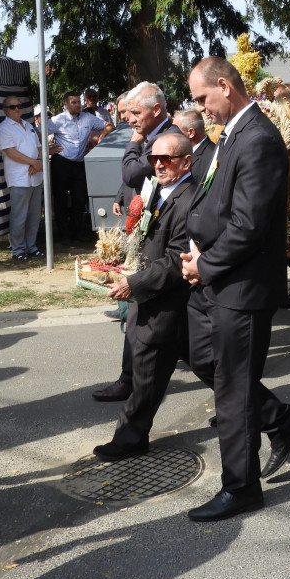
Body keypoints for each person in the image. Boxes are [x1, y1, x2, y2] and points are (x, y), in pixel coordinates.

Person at [181, 57, 290, 521]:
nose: (200, 110)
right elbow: (214, 198)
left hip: (242, 284)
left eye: (202, 99)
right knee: (203, 360)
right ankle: (281, 418)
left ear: (224, 86)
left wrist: (206, 265)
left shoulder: (256, 137)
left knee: (232, 390)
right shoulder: (233, 132)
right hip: (217, 275)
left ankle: (241, 487)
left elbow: (249, 224)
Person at [93, 133, 198, 459]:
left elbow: (175, 259)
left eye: (166, 159)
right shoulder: (157, 190)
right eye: (154, 159)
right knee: (212, 370)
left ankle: (129, 438)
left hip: (170, 300)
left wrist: (133, 285)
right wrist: (117, 262)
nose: (158, 165)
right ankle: (278, 419)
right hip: (153, 297)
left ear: (186, 162)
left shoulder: (190, 198)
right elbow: (142, 238)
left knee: (149, 369)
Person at [92, 83, 184, 403]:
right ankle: (134, 379)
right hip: (147, 227)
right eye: (126, 113)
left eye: (135, 113)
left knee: (141, 308)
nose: (130, 120)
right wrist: (123, 195)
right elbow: (133, 180)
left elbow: (134, 172)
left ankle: (130, 380)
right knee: (147, 312)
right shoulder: (152, 134)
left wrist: (132, 144)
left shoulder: (164, 137)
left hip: (162, 234)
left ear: (155, 110)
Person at [49, 92, 107, 244]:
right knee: (60, 199)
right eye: (73, 102)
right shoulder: (58, 120)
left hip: (79, 163)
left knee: (80, 198)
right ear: (66, 104)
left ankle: (76, 231)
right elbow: (37, 132)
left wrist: (103, 136)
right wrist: (46, 150)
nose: (77, 105)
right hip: (61, 162)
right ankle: (63, 234)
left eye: (78, 102)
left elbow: (108, 125)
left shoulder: (87, 118)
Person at [0, 95, 44, 261]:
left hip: (35, 176)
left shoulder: (29, 125)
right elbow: (10, 151)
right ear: (5, 110)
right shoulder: (3, 128)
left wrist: (37, 162)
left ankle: (31, 246)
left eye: (19, 106)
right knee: (19, 216)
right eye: (13, 107)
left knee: (34, 215)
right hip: (19, 177)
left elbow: (38, 147)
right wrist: (33, 162)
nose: (17, 109)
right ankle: (18, 249)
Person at [173, 108, 216, 183]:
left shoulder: (211, 158)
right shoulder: (185, 152)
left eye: (175, 131)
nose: (171, 135)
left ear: (191, 133)